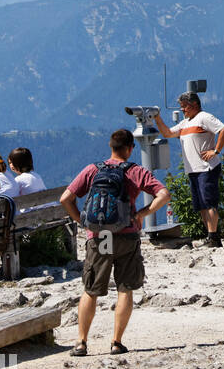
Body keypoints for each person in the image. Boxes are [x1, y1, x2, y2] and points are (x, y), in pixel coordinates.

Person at [60, 127, 168, 357]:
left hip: (99, 237)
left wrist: (82, 220)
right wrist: (141, 214)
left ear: (111, 147)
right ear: (130, 149)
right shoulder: (135, 171)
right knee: (124, 289)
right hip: (126, 236)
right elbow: (163, 195)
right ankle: (116, 342)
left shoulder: (93, 169)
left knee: (91, 290)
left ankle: (81, 343)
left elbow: (66, 198)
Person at [153, 92, 224, 247]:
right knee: (201, 205)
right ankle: (209, 235)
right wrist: (157, 118)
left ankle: (214, 237)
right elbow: (167, 133)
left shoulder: (204, 117)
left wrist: (215, 151)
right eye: (181, 107)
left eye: (185, 106)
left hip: (206, 168)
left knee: (209, 203)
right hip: (193, 170)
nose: (182, 110)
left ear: (194, 104)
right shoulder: (185, 123)